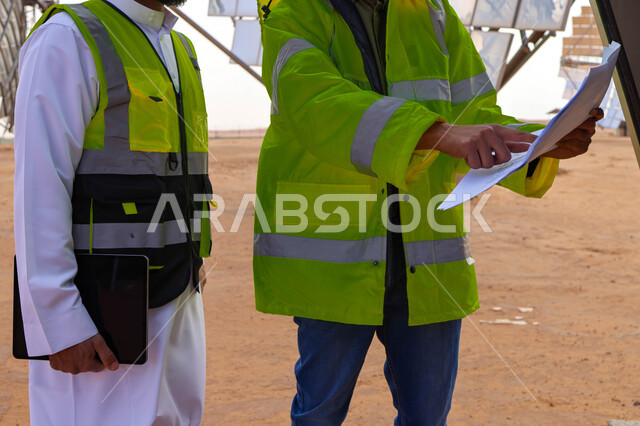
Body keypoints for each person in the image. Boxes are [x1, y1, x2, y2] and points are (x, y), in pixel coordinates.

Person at [253, 0, 603, 424]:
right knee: (319, 415)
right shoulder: (292, 12)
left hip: (427, 259)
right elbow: (316, 104)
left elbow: (474, 115)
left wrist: (540, 144)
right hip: (335, 263)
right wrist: (439, 134)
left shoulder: (433, 12)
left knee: (428, 417)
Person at [14, 0, 212, 424]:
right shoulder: (67, 39)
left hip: (176, 299)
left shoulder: (179, 48)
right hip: (99, 317)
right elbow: (40, 188)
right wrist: (60, 321)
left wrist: (191, 258)